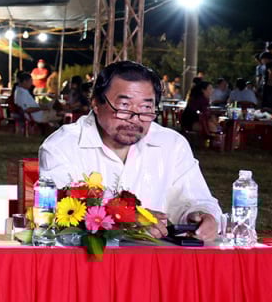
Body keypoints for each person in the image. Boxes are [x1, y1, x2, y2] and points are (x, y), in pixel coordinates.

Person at [40, 60, 222, 242]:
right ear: (96, 104)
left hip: (156, 260)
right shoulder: (63, 146)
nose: (134, 119)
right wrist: (125, 219)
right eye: (124, 106)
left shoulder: (172, 145)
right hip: (86, 264)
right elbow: (54, 214)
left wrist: (202, 215)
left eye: (146, 108)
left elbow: (197, 198)